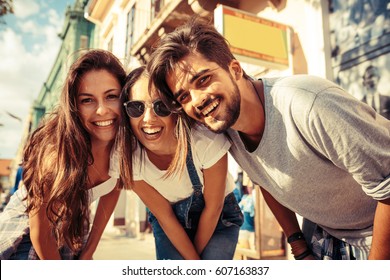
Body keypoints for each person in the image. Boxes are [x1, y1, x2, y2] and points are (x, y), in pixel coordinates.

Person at [147, 17, 390, 260]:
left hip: (377, 235)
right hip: (327, 235)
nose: (197, 100)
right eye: (184, 97)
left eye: (203, 80)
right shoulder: (225, 129)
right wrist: (298, 245)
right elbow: (265, 181)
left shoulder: (309, 104)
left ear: (235, 69)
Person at [0, 49, 127, 260]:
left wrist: (89, 251)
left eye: (111, 96)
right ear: (74, 106)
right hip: (25, 233)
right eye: (88, 100)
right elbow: (40, 234)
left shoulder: (124, 147)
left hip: (72, 230)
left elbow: (112, 190)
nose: (102, 110)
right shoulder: (56, 153)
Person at [113, 66, 243, 259]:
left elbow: (213, 208)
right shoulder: (126, 157)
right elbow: (165, 218)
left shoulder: (205, 141)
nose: (148, 119)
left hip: (219, 219)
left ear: (175, 109)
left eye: (161, 106)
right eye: (136, 107)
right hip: (169, 222)